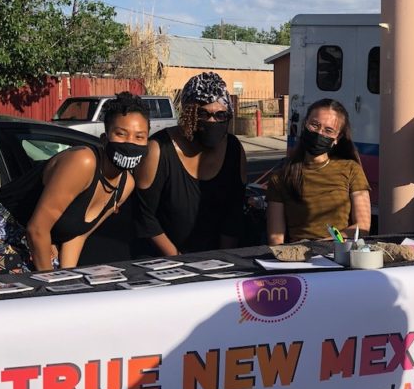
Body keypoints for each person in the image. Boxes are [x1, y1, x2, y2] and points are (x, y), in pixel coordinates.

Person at [0, 92, 150, 274]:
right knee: (26, 287)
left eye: (139, 137)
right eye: (121, 134)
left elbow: (76, 236)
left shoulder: (125, 186)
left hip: (32, 238)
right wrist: (52, 283)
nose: (130, 143)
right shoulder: (83, 161)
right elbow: (37, 229)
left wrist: (68, 278)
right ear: (104, 139)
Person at [133, 72, 246, 256]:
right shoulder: (159, 149)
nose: (211, 121)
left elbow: (234, 213)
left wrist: (225, 258)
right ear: (187, 114)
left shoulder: (233, 149)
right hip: (163, 259)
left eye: (220, 115)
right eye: (202, 114)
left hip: (217, 259)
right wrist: (178, 258)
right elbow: (144, 215)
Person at [266, 98, 371, 244]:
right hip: (297, 253)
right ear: (305, 124)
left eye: (329, 130)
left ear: (337, 138)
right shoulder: (281, 177)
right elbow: (276, 238)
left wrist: (321, 245)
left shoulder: (351, 169)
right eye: (315, 125)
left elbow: (363, 226)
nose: (319, 133)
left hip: (339, 251)